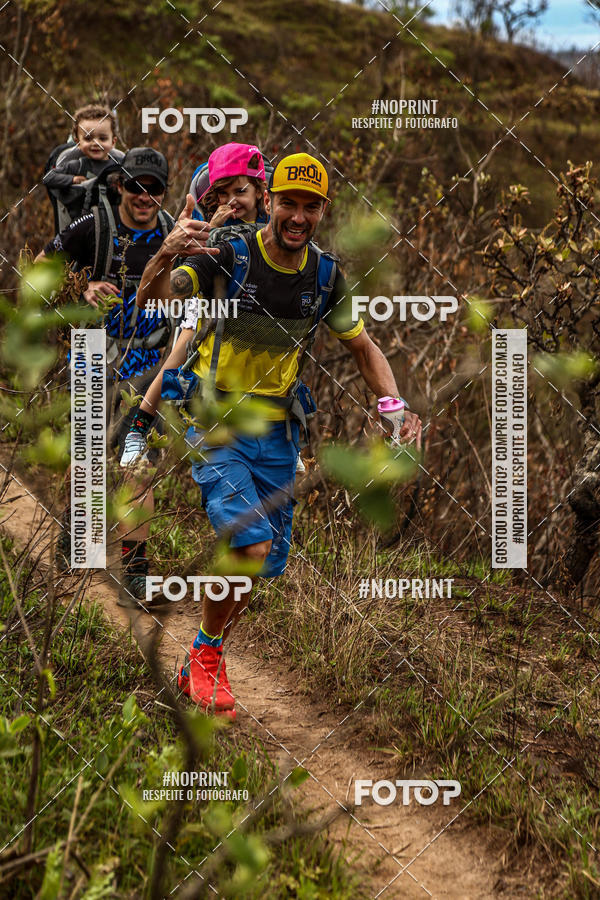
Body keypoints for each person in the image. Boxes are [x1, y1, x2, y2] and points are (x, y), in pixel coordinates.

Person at [137, 152, 423, 719]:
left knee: (261, 563)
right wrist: (165, 255)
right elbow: (157, 302)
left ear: (322, 211)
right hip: (216, 423)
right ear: (268, 202)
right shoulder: (228, 256)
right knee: (249, 545)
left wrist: (394, 409)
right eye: (287, 202)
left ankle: (201, 652)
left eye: (309, 206)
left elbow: (364, 349)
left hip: (280, 436)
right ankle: (207, 659)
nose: (297, 215)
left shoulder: (324, 277)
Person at [116, 143, 269, 606]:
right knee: (136, 459)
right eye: (215, 200)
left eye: (238, 193)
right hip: (189, 375)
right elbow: (181, 339)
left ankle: (237, 570)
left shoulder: (277, 247)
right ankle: (135, 571)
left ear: (261, 194)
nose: (227, 205)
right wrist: (144, 415)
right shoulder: (210, 257)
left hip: (251, 390)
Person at [36, 147, 178, 602]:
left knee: (138, 469)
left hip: (149, 367)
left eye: (154, 189)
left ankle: (136, 574)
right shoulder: (94, 226)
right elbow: (40, 270)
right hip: (93, 354)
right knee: (89, 462)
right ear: (120, 185)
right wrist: (82, 285)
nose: (144, 196)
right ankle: (78, 539)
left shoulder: (173, 236)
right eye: (136, 186)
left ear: (163, 194)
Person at [43, 104, 125, 232]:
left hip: (112, 228)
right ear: (77, 142)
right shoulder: (76, 164)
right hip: (78, 229)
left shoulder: (119, 166)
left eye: (102, 138)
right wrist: (73, 179)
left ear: (113, 142)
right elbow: (48, 178)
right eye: (88, 138)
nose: (95, 143)